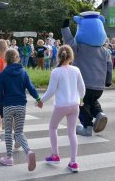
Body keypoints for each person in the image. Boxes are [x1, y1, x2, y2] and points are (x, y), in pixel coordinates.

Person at [38, 45, 85, 173]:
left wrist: (41, 101)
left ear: (58, 56)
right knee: (72, 132)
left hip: (61, 106)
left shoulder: (56, 71)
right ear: (71, 57)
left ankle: (55, 155)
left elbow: (51, 91)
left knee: (53, 127)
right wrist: (81, 99)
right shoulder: (76, 70)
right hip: (74, 105)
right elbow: (82, 88)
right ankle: (73, 162)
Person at [0, 49, 41, 171]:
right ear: (17, 58)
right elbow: (31, 88)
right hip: (21, 106)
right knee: (19, 132)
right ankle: (28, 151)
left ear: (6, 60)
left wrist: (3, 101)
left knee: (8, 132)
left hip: (8, 106)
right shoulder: (23, 72)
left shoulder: (3, 74)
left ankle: (9, 157)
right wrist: (38, 98)